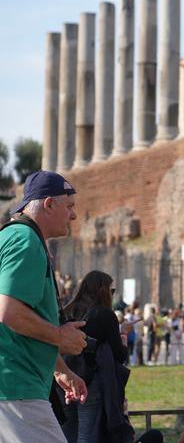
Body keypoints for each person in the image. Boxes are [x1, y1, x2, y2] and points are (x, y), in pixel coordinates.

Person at [0, 171, 88, 441]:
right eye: (69, 206)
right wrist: (60, 337)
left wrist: (60, 368)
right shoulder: (25, 241)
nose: (73, 215)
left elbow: (22, 325)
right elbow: (9, 311)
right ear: (49, 204)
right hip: (16, 389)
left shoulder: (15, 237)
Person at [60, 270, 130, 443]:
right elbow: (119, 356)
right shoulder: (104, 314)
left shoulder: (67, 310)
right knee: (87, 436)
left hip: (63, 378)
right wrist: (124, 336)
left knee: (66, 435)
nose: (112, 295)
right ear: (102, 290)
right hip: (90, 381)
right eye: (111, 290)